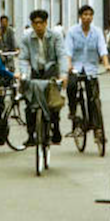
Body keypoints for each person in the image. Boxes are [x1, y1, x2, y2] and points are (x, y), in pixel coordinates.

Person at [17, 9, 69, 144]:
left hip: (50, 70)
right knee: (29, 103)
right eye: (35, 23)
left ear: (46, 23)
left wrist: (63, 75)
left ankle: (56, 128)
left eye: (41, 23)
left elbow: (62, 55)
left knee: (53, 101)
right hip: (34, 71)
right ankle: (30, 134)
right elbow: (23, 58)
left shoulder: (56, 36)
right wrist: (24, 75)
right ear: (32, 24)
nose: (38, 26)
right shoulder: (26, 38)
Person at [65, 5, 110, 138]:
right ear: (80, 17)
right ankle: (73, 110)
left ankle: (96, 126)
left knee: (94, 98)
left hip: (91, 69)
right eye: (85, 14)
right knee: (72, 86)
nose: (87, 17)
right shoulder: (72, 31)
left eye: (90, 15)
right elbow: (68, 50)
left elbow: (102, 48)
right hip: (75, 67)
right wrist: (69, 65)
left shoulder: (97, 32)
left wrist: (107, 64)